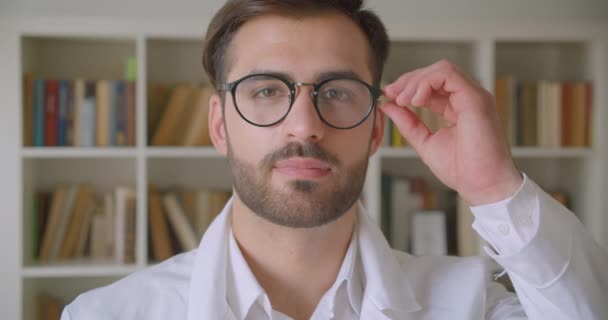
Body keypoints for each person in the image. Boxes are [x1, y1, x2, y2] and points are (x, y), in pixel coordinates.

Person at [62, 0, 608, 319]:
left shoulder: (470, 304)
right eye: (267, 91)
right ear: (218, 125)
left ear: (376, 128)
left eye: (338, 90)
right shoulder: (104, 316)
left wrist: (494, 187)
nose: (305, 124)